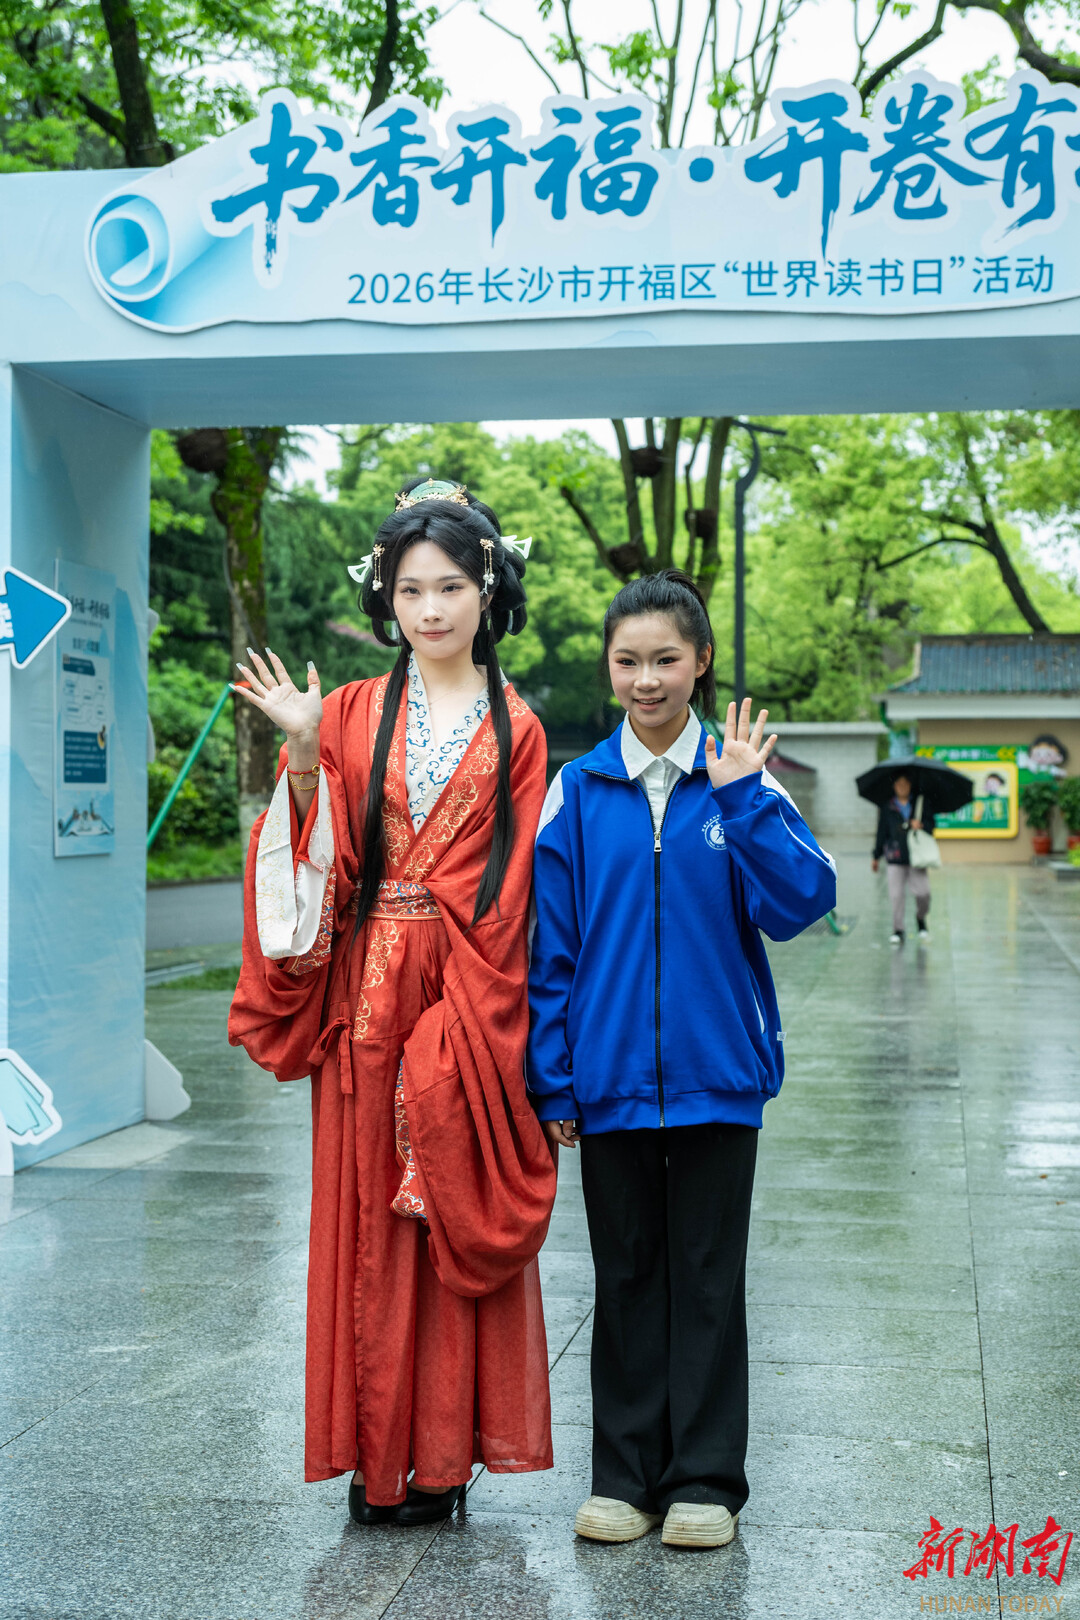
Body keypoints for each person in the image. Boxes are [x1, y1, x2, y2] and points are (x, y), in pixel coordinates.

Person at [228, 478, 556, 1527]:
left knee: (443, 1207)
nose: (430, 608)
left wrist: (466, 1023)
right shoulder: (351, 711)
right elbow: (312, 855)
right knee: (368, 1221)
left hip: (462, 995)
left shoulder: (518, 728)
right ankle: (377, 1461)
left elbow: (512, 892)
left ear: (487, 589)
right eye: (411, 589)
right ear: (386, 596)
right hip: (362, 996)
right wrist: (301, 751)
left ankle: (444, 1461)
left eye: (451, 585)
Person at [526, 570, 836, 1551]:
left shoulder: (741, 778)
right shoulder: (578, 791)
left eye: (666, 659)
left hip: (719, 1077)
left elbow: (802, 904)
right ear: (608, 667)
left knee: (707, 1279)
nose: (647, 679)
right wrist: (554, 1075)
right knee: (624, 1279)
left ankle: (705, 1482)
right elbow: (552, 948)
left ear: (701, 661)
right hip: (609, 1077)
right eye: (629, 661)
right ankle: (622, 1479)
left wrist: (743, 800)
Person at [871, 771, 936, 945]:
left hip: (917, 857)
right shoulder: (888, 806)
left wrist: (921, 825)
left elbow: (931, 826)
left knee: (923, 893)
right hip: (894, 857)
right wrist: (876, 855)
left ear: (910, 785)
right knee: (896, 896)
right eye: (899, 784)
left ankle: (920, 919)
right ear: (894, 786)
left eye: (905, 784)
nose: (902, 787)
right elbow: (882, 832)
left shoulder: (920, 803)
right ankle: (898, 929)